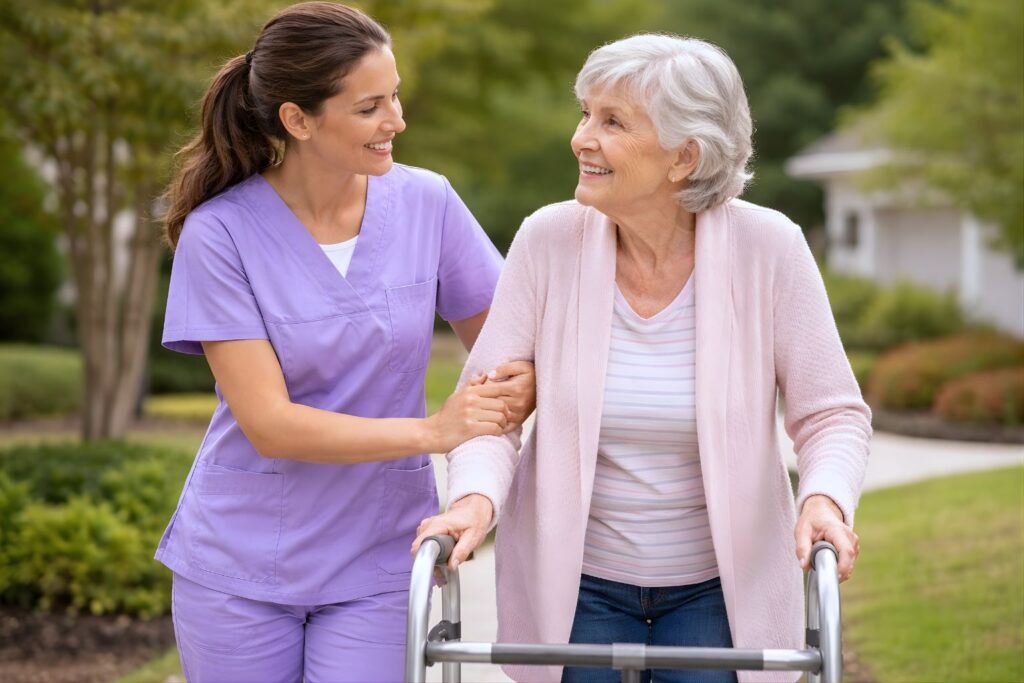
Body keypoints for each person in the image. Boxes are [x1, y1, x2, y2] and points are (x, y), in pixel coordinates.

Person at [413, 34, 871, 683]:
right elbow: (492, 411)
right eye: (585, 113)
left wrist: (824, 497)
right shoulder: (549, 240)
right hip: (580, 586)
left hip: (716, 588)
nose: (580, 138)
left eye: (612, 121)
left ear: (684, 156)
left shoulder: (769, 247)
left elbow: (832, 414)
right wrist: (475, 500)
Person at [157, 3, 534, 681]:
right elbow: (269, 423)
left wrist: (508, 406)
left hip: (382, 555)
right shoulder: (220, 235)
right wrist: (433, 431)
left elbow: (508, 353)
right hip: (241, 562)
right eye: (370, 107)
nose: (397, 121)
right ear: (298, 120)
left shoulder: (429, 203)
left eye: (394, 97)